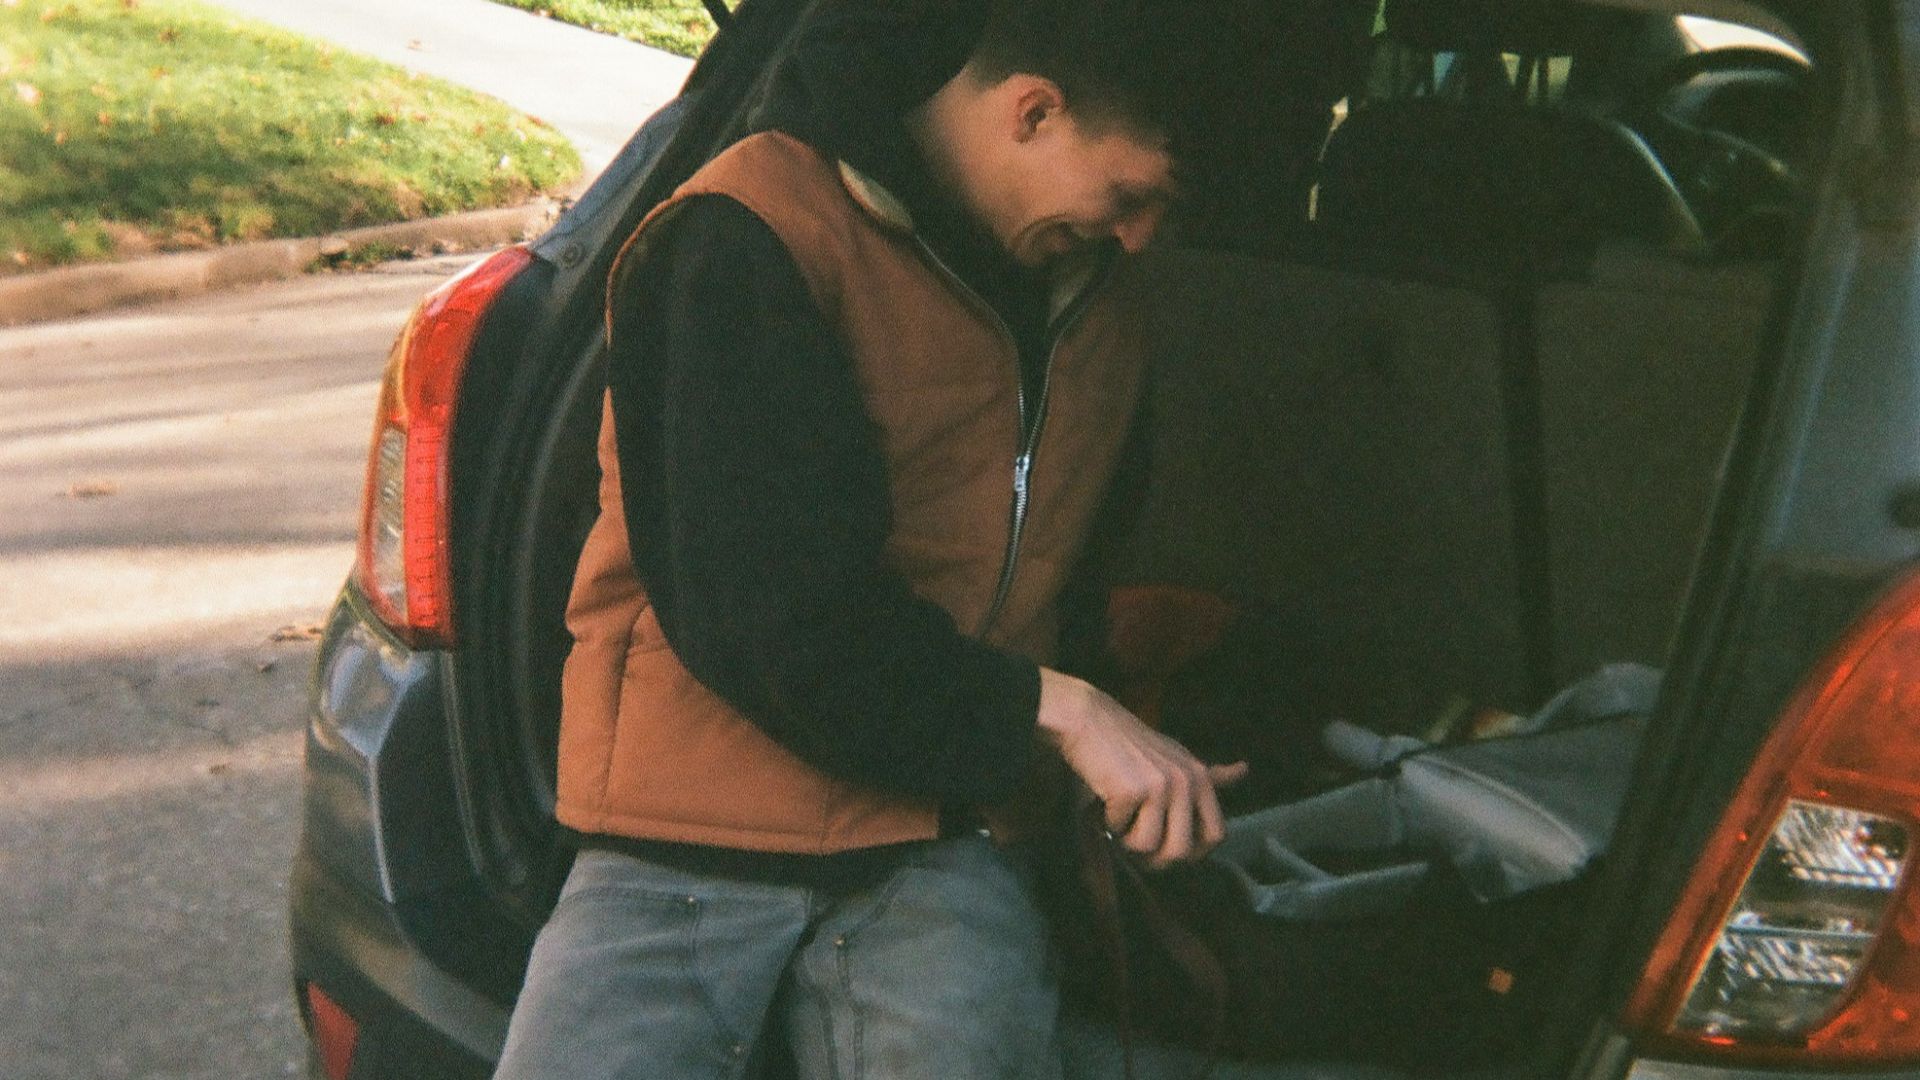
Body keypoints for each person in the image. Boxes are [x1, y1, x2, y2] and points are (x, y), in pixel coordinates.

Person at [493, 1, 1259, 1076]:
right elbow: (774, 619)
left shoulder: (1098, 300)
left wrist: (1096, 762)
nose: (1141, 238)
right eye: (1130, 197)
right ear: (1032, 113)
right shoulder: (751, 230)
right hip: (701, 818)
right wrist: (1065, 714)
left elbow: (1071, 577)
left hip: (949, 823)